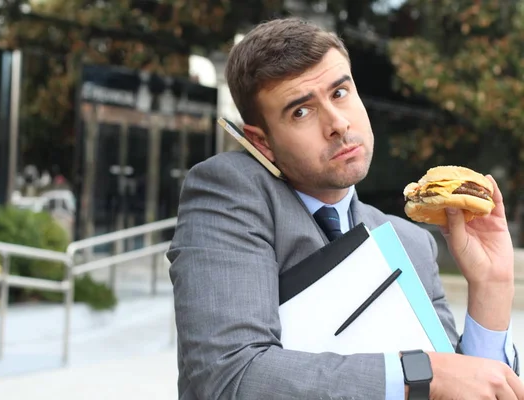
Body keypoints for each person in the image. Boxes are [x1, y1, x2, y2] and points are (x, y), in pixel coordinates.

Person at [167, 17, 521, 399]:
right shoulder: (230, 192)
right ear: (262, 142)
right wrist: (421, 373)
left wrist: (491, 284)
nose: (337, 123)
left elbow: (462, 386)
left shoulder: (411, 243)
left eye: (339, 93)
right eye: (301, 111)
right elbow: (229, 377)